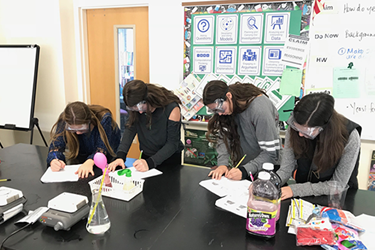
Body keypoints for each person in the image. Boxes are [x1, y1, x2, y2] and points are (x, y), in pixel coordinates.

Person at [276, 93, 361, 200]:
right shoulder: (296, 125)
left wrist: (295, 190)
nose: (300, 134)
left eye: (306, 131)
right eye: (297, 128)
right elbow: (285, 169)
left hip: (335, 199)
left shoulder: (349, 136)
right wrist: (270, 183)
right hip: (302, 195)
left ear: (323, 127)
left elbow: (338, 185)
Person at [203, 80, 280, 181]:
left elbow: (270, 154)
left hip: (267, 171)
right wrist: (222, 164)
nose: (220, 114)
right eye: (215, 111)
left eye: (219, 109)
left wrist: (245, 170)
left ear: (229, 95)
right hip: (245, 170)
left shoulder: (259, 109)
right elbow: (224, 138)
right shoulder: (228, 109)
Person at [108, 80, 184, 172]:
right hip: (147, 157)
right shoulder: (137, 109)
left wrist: (150, 163)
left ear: (148, 99)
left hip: (169, 160)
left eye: (140, 107)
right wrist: (120, 156)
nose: (139, 112)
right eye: (134, 109)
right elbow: (130, 129)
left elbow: (172, 144)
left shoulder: (171, 108)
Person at [47, 101, 121, 178]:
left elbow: (102, 149)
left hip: (107, 160)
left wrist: (90, 161)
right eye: (73, 130)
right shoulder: (65, 119)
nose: (78, 133)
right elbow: (55, 147)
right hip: (81, 160)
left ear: (90, 121)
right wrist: (55, 159)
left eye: (82, 129)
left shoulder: (104, 118)